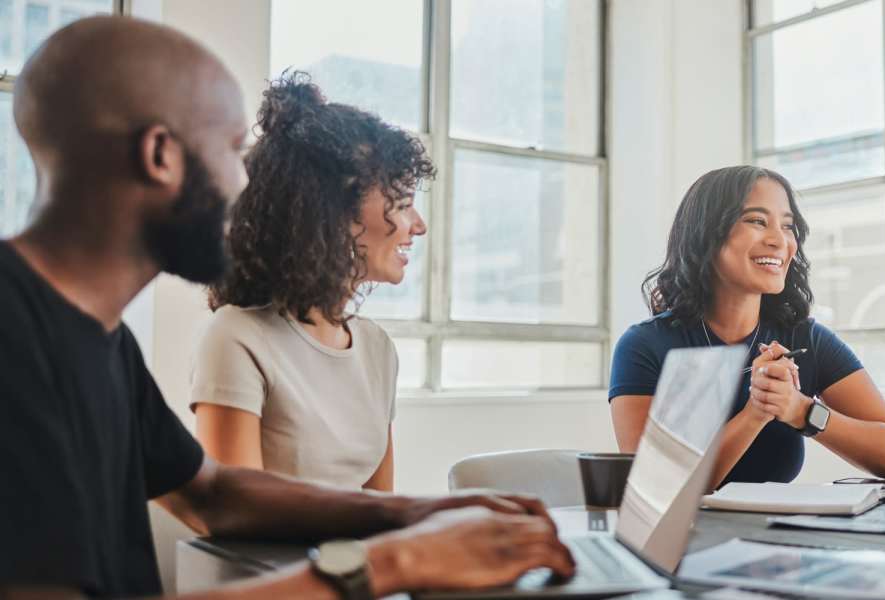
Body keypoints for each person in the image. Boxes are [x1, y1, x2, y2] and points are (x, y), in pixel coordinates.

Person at [0, 17, 572, 599]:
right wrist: (394, 563)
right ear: (160, 155)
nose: (244, 186)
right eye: (229, 151)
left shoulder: (102, 338)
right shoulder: (13, 338)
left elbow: (212, 494)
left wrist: (415, 513)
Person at [191, 73, 430, 491]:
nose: (419, 225)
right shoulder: (237, 337)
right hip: (272, 560)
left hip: (359, 556)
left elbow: (381, 509)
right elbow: (237, 518)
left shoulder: (377, 349)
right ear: (335, 212)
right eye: (404, 203)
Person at [609, 165, 885, 490]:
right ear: (706, 234)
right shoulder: (644, 346)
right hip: (681, 537)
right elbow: (654, 486)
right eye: (757, 221)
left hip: (779, 536)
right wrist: (756, 412)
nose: (779, 240)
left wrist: (801, 410)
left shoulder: (805, 338)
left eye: (788, 225)